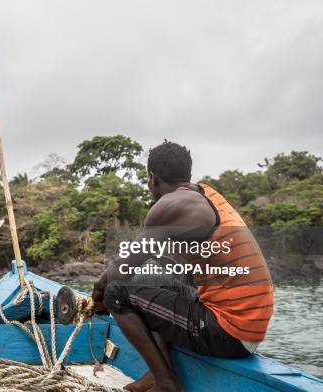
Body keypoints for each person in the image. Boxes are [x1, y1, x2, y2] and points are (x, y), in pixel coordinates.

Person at [92, 141, 274, 392]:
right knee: (155, 271)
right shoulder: (207, 195)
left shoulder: (168, 207)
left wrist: (98, 290)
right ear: (186, 174)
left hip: (230, 332)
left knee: (117, 292)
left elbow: (122, 269)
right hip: (250, 327)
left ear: (152, 179)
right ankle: (156, 374)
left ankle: (166, 383)